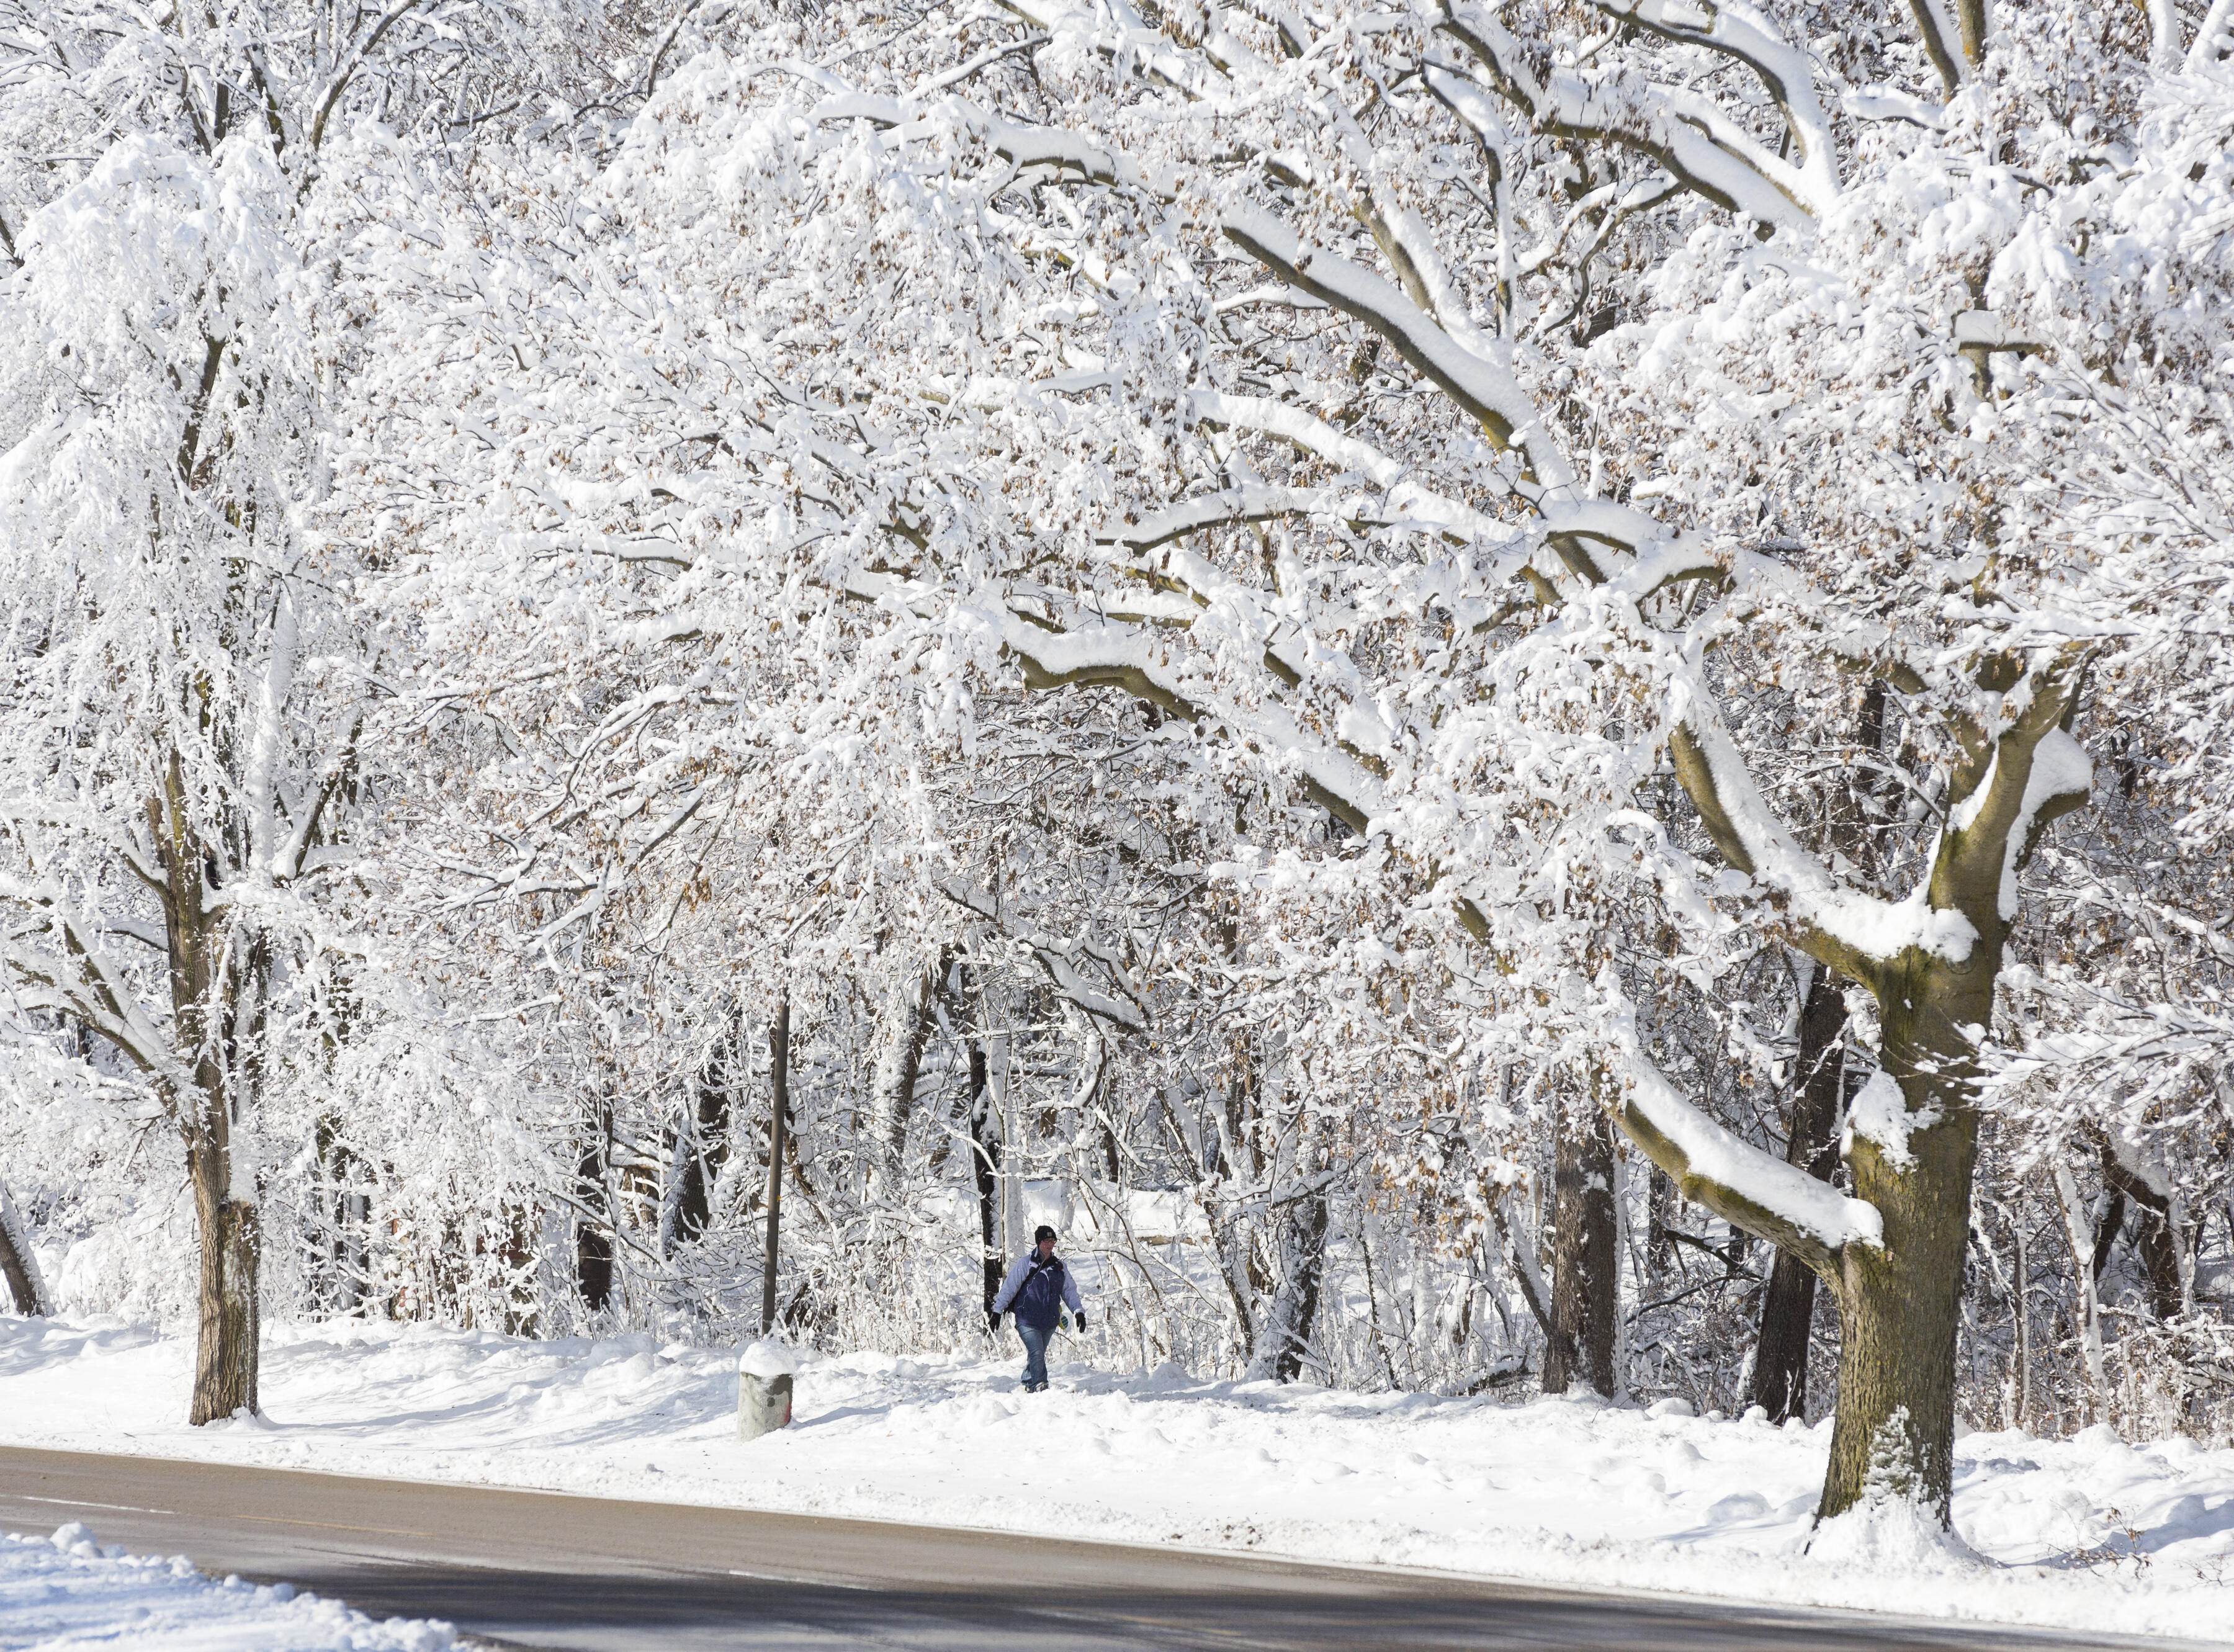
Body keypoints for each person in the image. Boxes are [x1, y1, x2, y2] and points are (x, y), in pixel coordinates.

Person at [989, 1224, 1085, 1393]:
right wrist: (997, 1311)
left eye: (1053, 1241)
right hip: (1027, 1319)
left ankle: (1027, 1382)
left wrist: (1079, 1311)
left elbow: (1069, 1291)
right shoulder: (1026, 1263)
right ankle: (1041, 1385)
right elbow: (1009, 1288)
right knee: (1037, 1352)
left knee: (1036, 1354)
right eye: (1046, 1241)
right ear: (1039, 1242)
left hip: (1049, 1321)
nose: (1050, 1244)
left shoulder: (1059, 1267)